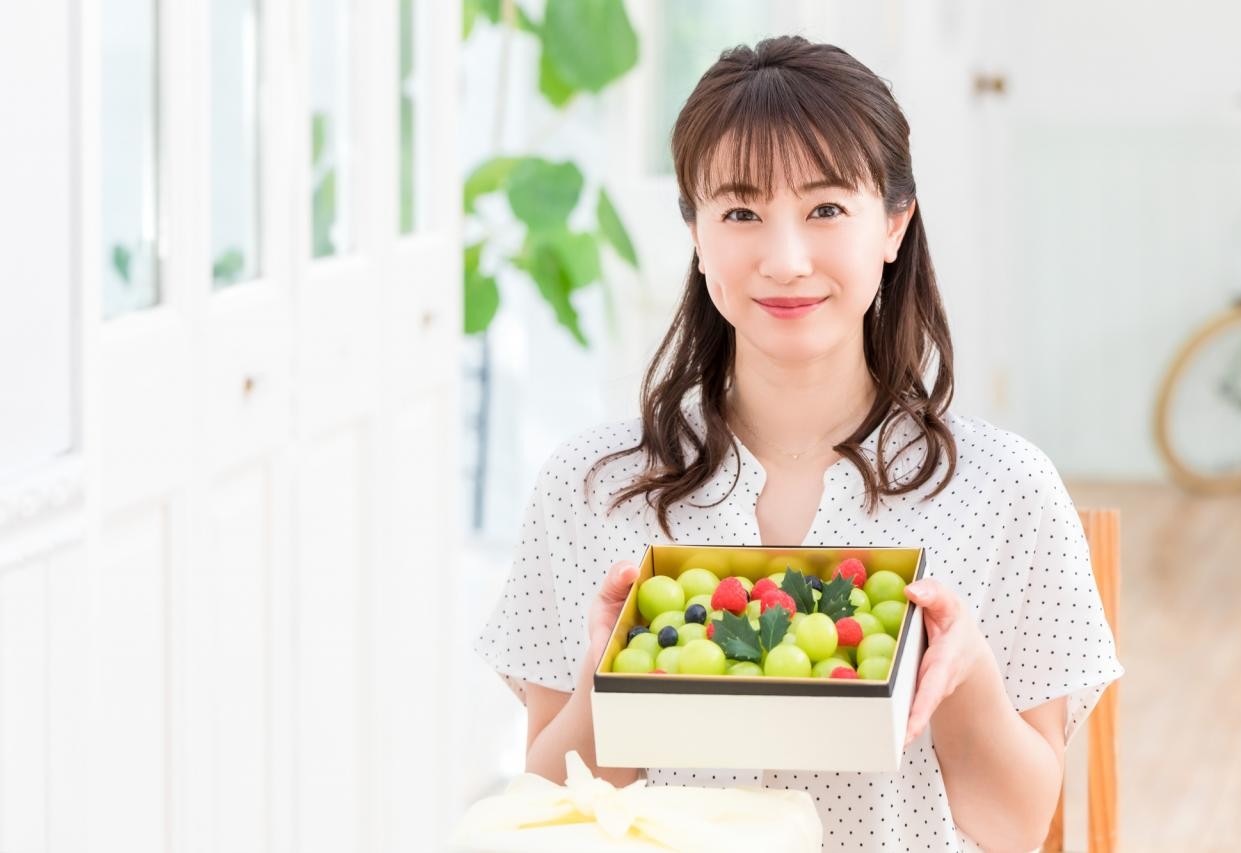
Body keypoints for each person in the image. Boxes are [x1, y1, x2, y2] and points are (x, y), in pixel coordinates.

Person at [474, 35, 1123, 852]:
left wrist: (965, 674)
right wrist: (609, 684)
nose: (785, 261)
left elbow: (1014, 828)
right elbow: (552, 813)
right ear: (696, 232)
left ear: (893, 224)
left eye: (825, 210)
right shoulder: (591, 488)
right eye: (741, 212)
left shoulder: (1005, 489)